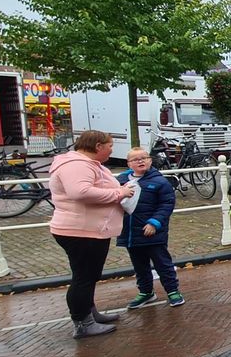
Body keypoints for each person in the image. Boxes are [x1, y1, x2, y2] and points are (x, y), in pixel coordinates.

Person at [49, 130, 136, 339]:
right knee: (83, 277)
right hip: (81, 231)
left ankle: (89, 313)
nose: (111, 150)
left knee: (88, 276)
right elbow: (80, 192)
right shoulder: (77, 165)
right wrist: (119, 193)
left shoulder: (86, 164)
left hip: (91, 230)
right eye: (110, 146)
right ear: (98, 146)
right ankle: (82, 323)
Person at [117, 147, 182, 309]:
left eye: (144, 158)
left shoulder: (159, 181)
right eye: (135, 159)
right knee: (139, 265)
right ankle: (146, 292)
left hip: (153, 232)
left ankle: (173, 290)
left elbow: (167, 204)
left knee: (162, 262)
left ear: (150, 160)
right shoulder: (121, 181)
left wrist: (154, 223)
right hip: (131, 232)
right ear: (129, 164)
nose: (140, 161)